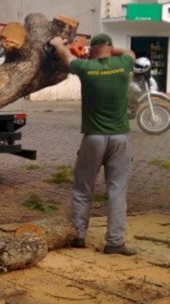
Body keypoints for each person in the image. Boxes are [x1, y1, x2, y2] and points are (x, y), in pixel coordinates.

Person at [49, 32, 136, 255]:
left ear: (93, 49)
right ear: (110, 47)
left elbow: (67, 58)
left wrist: (59, 43)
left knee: (83, 187)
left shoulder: (86, 69)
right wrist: (109, 51)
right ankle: (115, 242)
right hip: (120, 137)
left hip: (94, 137)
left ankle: (78, 234)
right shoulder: (123, 63)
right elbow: (130, 53)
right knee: (117, 190)